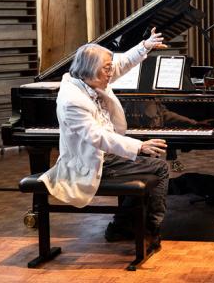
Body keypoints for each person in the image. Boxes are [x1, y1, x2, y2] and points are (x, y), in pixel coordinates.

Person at [38, 27, 170, 247]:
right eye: (106, 69)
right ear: (90, 70)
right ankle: (150, 228)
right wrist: (138, 146)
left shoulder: (89, 78)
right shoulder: (72, 100)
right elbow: (97, 136)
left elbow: (120, 64)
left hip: (106, 154)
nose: (111, 73)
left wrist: (144, 46)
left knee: (153, 163)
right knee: (160, 167)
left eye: (109, 68)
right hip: (92, 161)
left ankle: (123, 225)